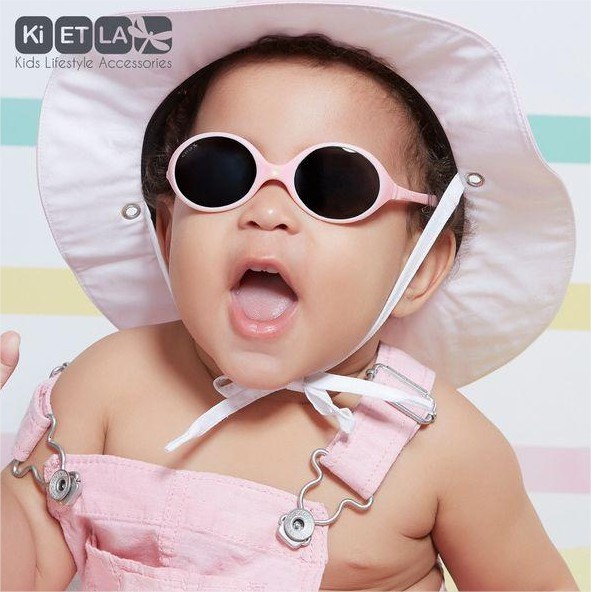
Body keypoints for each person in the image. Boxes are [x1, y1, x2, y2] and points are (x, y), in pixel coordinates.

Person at [0, 1, 578, 590]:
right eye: (221, 174)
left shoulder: (444, 449)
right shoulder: (108, 384)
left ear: (418, 267)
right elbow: (29, 569)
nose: (268, 212)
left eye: (333, 186)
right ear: (167, 234)